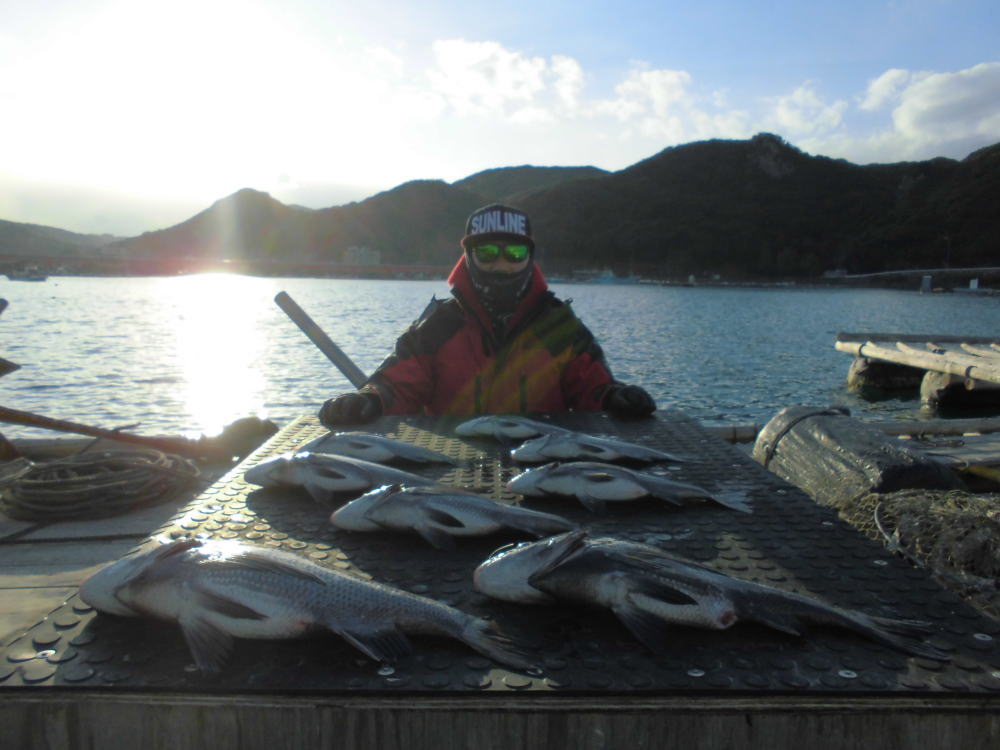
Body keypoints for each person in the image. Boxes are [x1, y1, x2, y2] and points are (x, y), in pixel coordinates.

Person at [318, 203, 655, 426]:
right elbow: (398, 386)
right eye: (488, 252)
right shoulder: (438, 325)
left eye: (515, 253)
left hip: (544, 467)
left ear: (530, 257)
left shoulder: (559, 326)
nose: (501, 264)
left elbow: (592, 388)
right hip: (447, 466)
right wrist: (369, 401)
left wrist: (616, 398)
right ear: (468, 256)